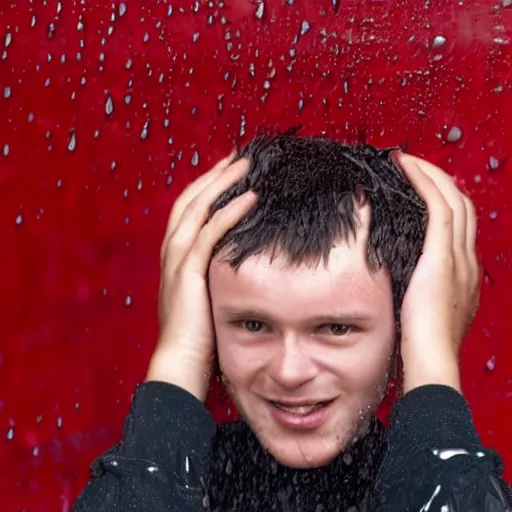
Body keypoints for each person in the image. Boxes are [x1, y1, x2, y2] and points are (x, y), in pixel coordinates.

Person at [73, 134, 512, 512]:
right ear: (204, 320)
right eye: (252, 325)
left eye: (336, 329)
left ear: (405, 327)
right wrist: (179, 354)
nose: (289, 372)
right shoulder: (174, 480)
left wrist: (432, 364)